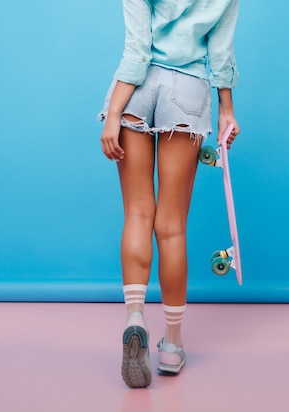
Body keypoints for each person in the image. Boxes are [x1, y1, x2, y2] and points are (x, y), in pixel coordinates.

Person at [99, 0, 240, 388]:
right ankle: (173, 346)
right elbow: (221, 50)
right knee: (172, 226)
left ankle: (134, 317)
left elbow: (137, 50)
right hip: (189, 89)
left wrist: (113, 114)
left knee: (138, 215)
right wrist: (226, 110)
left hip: (136, 91)